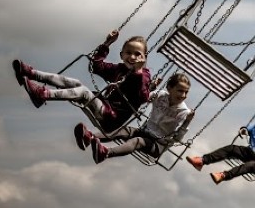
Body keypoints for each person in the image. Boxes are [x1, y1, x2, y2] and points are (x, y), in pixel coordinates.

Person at [12, 29, 153, 134]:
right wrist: (107, 43)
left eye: (137, 54)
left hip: (111, 119)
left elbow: (143, 96)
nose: (132, 57)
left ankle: (43, 95)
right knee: (75, 83)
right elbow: (96, 67)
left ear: (144, 58)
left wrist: (137, 71)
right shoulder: (119, 69)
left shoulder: (144, 75)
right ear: (122, 55)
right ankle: (31, 73)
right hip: (103, 106)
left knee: (84, 92)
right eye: (128, 52)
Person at [74, 72, 195, 164]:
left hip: (157, 144)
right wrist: (151, 88)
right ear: (169, 88)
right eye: (180, 91)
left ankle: (106, 153)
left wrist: (187, 122)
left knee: (137, 141)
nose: (183, 95)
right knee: (124, 130)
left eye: (186, 92)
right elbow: (142, 98)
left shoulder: (183, 112)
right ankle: (89, 137)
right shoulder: (161, 95)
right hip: (145, 131)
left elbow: (177, 139)